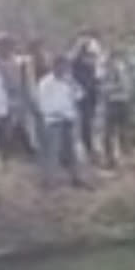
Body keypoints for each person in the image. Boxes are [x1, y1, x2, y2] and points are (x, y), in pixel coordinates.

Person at [37, 55, 84, 187]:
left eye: (66, 66)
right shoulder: (45, 83)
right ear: (54, 66)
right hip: (54, 121)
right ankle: (49, 181)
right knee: (53, 152)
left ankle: (76, 178)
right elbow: (43, 104)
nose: (64, 69)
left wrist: (72, 84)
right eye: (61, 66)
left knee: (72, 152)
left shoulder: (68, 80)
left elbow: (80, 95)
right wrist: (59, 113)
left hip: (68, 120)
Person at [100, 45, 135, 168]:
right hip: (113, 103)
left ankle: (123, 158)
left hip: (119, 102)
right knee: (111, 133)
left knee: (121, 132)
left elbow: (124, 85)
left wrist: (109, 88)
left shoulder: (120, 69)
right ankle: (112, 159)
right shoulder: (107, 69)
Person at [71, 31, 101, 161]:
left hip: (92, 94)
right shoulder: (75, 61)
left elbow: (95, 75)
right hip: (82, 96)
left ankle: (92, 149)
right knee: (84, 124)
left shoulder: (91, 59)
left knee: (91, 123)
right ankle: (87, 150)